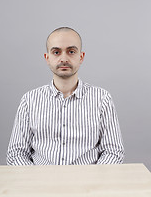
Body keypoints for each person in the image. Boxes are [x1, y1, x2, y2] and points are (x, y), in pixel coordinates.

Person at [7, 27, 125, 165]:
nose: (64, 58)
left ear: (81, 57)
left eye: (71, 52)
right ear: (47, 58)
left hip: (87, 184)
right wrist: (37, 182)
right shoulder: (29, 100)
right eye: (56, 52)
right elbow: (16, 153)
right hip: (40, 184)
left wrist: (92, 182)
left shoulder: (102, 99)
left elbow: (113, 151)